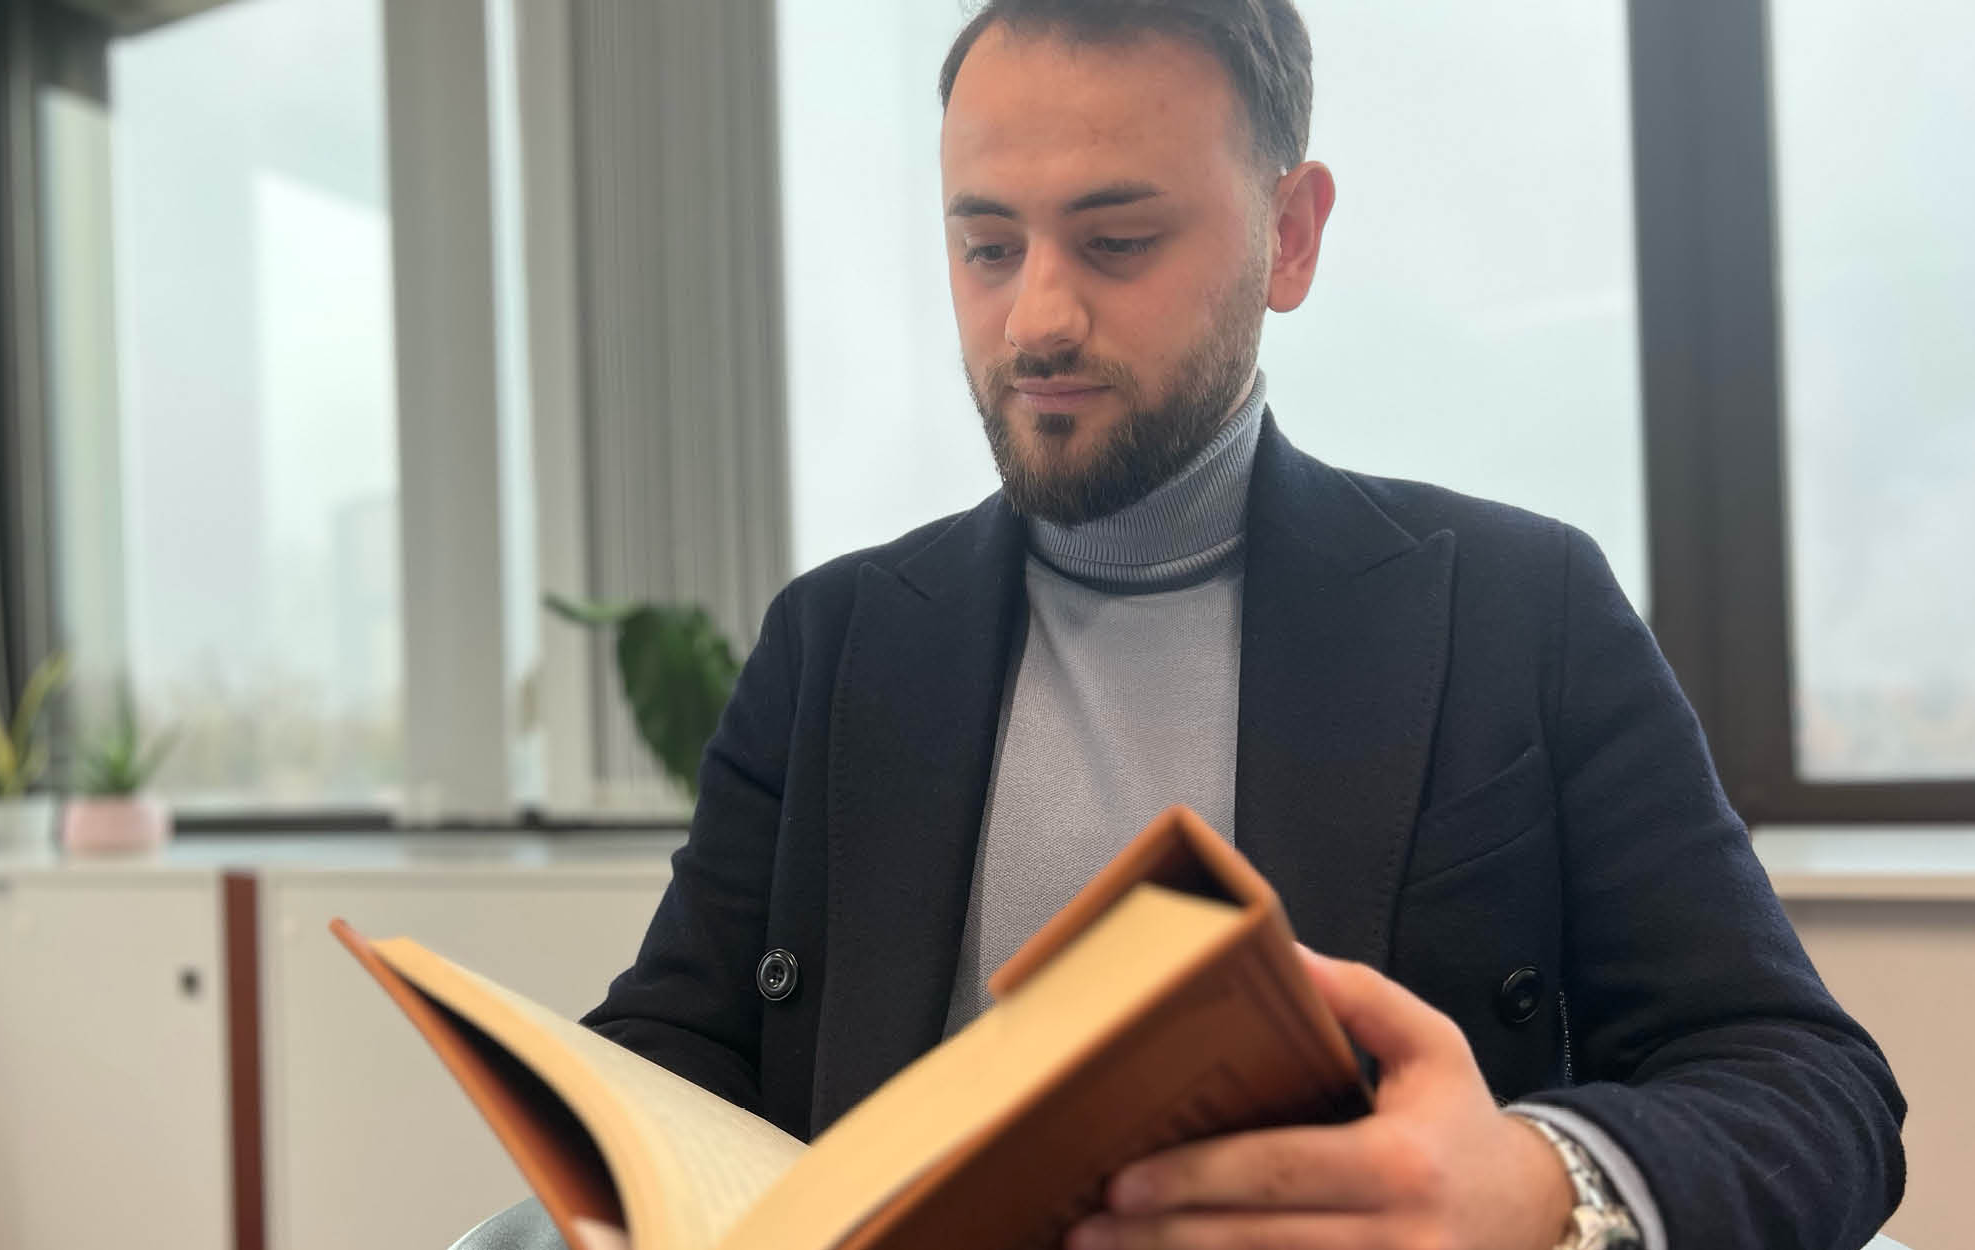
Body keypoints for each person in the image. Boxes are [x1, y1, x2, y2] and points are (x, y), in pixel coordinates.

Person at [567, 3, 1907, 1249]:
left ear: (1293, 236)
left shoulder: (1522, 609)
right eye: (987, 248)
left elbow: (1808, 1083)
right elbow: (674, 1056)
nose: (1036, 318)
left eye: (1117, 243)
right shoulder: (835, 640)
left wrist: (1536, 1182)